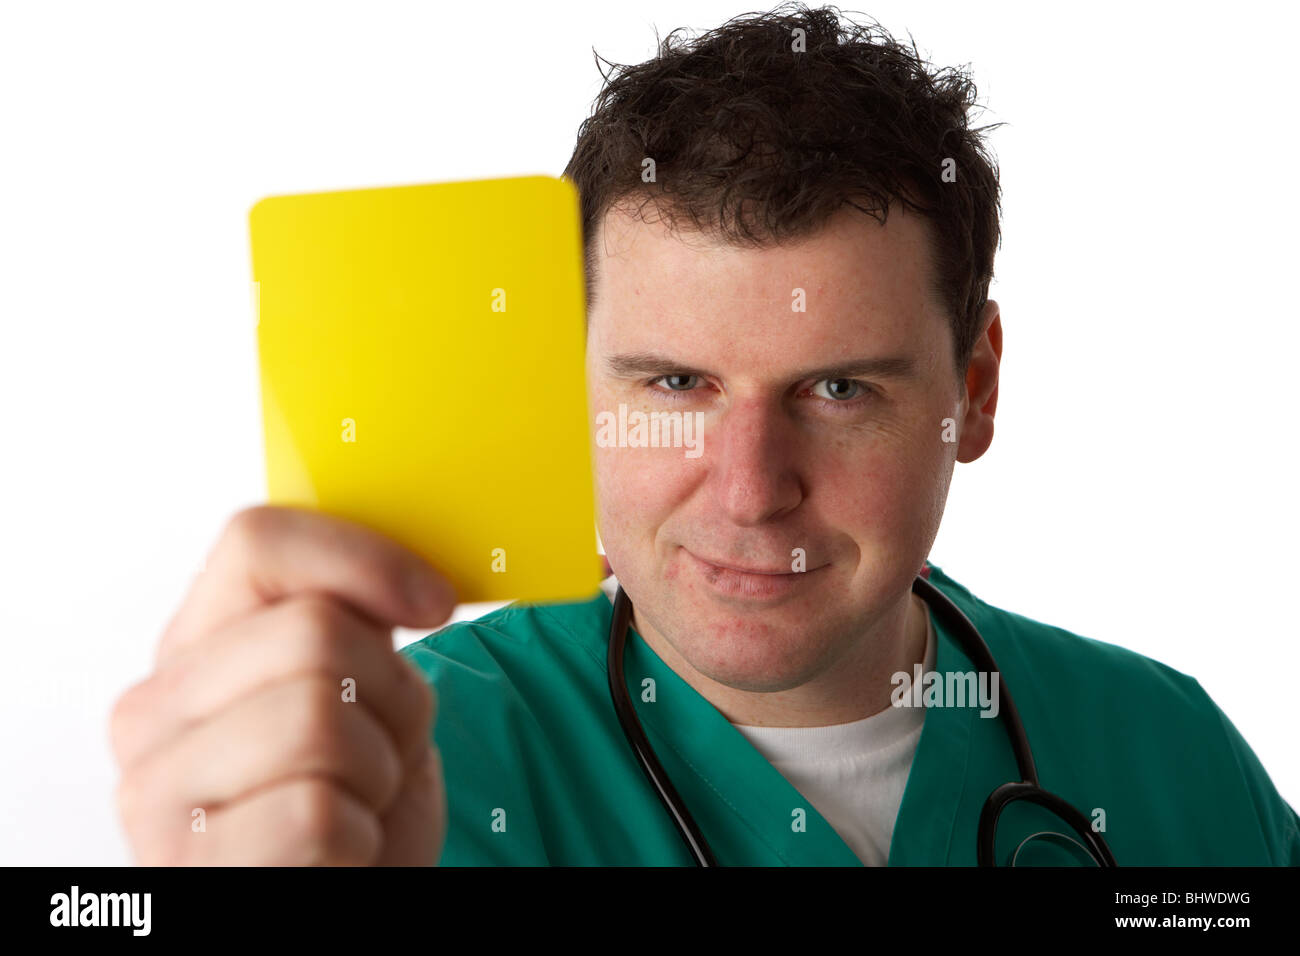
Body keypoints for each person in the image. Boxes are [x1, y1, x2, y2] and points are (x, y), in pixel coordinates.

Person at [110, 3, 1299, 866]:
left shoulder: (1168, 752)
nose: (747, 489)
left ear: (973, 388)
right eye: (674, 381)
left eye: (838, 389)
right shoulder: (375, 773)